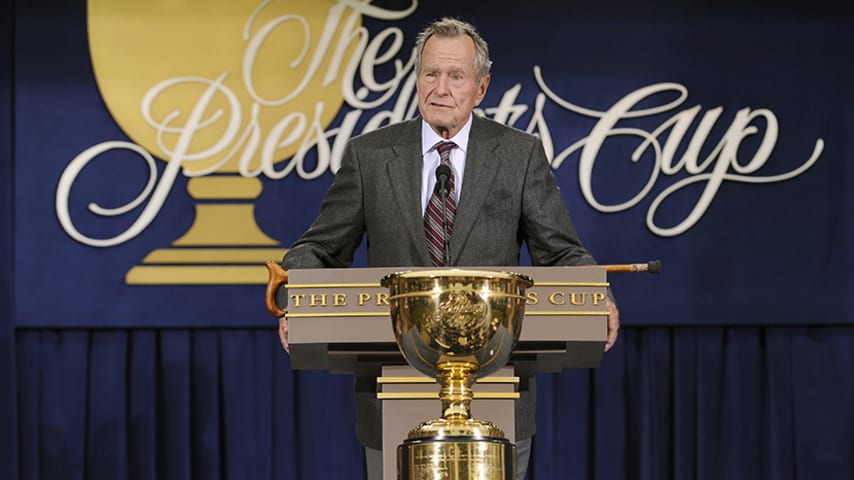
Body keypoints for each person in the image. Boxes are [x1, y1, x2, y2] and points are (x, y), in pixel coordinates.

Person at [278, 17, 620, 480]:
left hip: (496, 385)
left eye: (455, 76)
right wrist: (295, 296)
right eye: (430, 74)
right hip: (392, 384)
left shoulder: (518, 155)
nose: (440, 88)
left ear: (480, 88)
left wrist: (596, 291)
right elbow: (319, 247)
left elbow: (560, 252)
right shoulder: (371, 155)